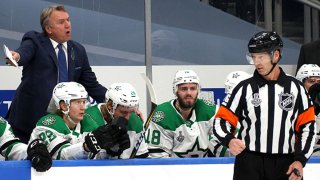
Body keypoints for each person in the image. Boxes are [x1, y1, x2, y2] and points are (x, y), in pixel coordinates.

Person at [213, 31, 316, 180]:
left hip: (286, 164)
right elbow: (221, 120)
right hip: (249, 163)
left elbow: (308, 128)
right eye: (253, 57)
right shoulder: (243, 88)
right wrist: (229, 140)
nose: (256, 62)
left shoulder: (297, 88)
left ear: (276, 55)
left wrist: (300, 160)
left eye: (261, 56)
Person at [5, 5, 107, 143]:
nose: (67, 25)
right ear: (48, 29)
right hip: (28, 123)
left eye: (68, 20)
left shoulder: (78, 50)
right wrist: (16, 56)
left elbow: (92, 85)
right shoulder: (35, 41)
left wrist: (115, 102)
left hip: (61, 125)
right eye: (61, 22)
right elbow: (24, 52)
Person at [29, 82, 126, 160]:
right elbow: (61, 155)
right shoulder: (48, 123)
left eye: (84, 102)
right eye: (77, 102)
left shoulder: (87, 122)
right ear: (63, 105)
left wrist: (112, 150)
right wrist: (87, 147)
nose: (83, 107)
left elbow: (95, 157)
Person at [146, 70, 222, 158]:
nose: (189, 93)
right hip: (173, 169)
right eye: (184, 89)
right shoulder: (161, 115)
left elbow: (224, 142)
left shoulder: (210, 110)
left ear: (198, 91)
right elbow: (158, 157)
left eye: (193, 88)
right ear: (176, 90)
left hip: (204, 168)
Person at [84, 82, 148, 159]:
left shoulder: (135, 121)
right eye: (124, 112)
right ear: (110, 105)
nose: (128, 118)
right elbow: (84, 157)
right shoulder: (88, 118)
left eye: (131, 112)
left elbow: (142, 159)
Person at [296, 64, 320, 156]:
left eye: (319, 81)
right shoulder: (292, 108)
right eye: (312, 81)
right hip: (298, 157)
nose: (316, 85)